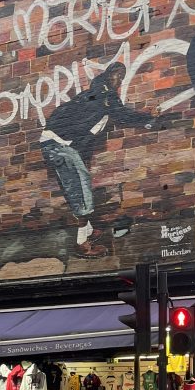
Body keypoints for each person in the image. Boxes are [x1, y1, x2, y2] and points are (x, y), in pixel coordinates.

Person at [40, 63, 161, 258]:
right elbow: (123, 115)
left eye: (121, 77)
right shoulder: (105, 96)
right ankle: (82, 244)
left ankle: (88, 230)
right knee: (81, 189)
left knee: (81, 184)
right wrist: (148, 117)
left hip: (61, 144)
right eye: (118, 75)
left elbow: (85, 136)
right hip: (58, 144)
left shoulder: (98, 98)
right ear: (110, 75)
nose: (119, 80)